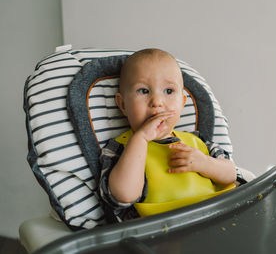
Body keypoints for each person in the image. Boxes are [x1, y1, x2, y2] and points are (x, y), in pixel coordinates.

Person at [99, 48, 250, 221]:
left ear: (182, 102)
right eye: (143, 91)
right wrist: (140, 139)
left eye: (169, 91)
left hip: (215, 219)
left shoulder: (197, 141)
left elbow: (231, 173)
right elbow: (123, 196)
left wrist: (205, 163)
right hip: (161, 233)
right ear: (123, 104)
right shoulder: (119, 148)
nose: (157, 102)